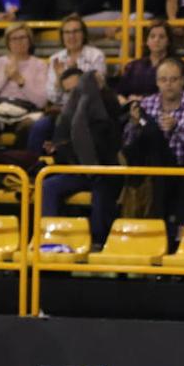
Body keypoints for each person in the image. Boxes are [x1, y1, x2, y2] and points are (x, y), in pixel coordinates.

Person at [122, 58, 184, 238]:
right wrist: (133, 124)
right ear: (157, 82)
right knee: (151, 137)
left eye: (173, 79)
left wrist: (177, 127)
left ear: (183, 81)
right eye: (163, 80)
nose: (168, 84)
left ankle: (177, 237)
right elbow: (129, 143)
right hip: (156, 169)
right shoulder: (147, 104)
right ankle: (155, 236)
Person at [38, 69, 124, 244]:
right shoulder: (67, 116)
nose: (75, 94)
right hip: (79, 172)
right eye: (69, 91)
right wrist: (58, 150)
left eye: (77, 88)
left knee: (102, 193)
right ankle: (50, 238)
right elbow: (64, 159)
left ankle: (98, 242)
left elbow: (110, 146)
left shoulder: (108, 105)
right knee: (48, 185)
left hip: (105, 172)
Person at [0, 21, 48, 109]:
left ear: (29, 40)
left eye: (23, 37)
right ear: (8, 43)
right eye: (14, 39)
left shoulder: (40, 64)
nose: (19, 42)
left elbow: (41, 102)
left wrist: (20, 81)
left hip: (26, 109)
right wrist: (5, 77)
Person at [46, 14, 106, 106]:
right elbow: (52, 98)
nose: (71, 36)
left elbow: (97, 89)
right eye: (67, 32)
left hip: (88, 108)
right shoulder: (55, 59)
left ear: (83, 34)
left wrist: (76, 73)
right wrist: (59, 80)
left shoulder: (96, 56)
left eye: (76, 31)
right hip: (62, 108)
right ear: (62, 36)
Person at [119, 19, 175, 101]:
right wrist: (126, 102)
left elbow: (174, 96)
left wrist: (143, 100)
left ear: (168, 41)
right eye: (152, 36)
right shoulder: (133, 66)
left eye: (162, 37)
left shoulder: (176, 66)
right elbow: (120, 93)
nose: (156, 40)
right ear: (147, 41)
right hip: (131, 109)